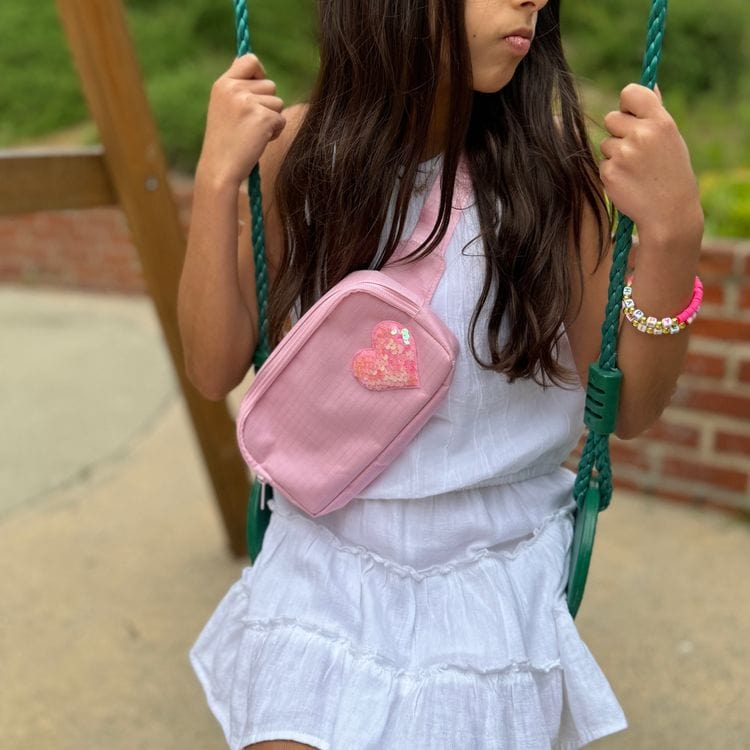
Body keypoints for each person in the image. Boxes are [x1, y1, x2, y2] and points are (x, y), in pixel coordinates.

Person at [179, 0, 703, 748]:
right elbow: (212, 368)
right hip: (325, 544)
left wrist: (675, 236)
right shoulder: (302, 151)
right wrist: (214, 181)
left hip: (492, 564)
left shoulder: (549, 175)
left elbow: (629, 409)